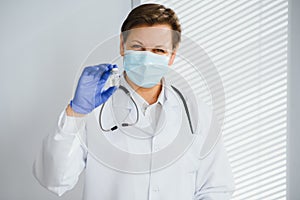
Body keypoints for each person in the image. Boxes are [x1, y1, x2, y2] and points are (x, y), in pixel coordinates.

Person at [33, 3, 235, 200]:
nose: (147, 58)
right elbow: (54, 180)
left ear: (172, 55)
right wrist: (75, 112)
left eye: (159, 51)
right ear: (122, 46)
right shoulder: (94, 110)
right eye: (138, 48)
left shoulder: (197, 114)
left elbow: (216, 189)